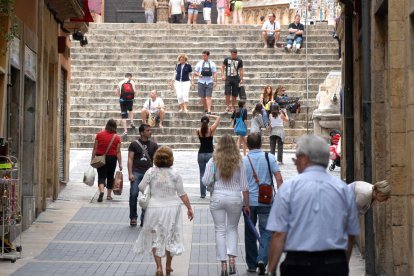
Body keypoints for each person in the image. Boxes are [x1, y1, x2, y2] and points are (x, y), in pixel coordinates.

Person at [266, 134, 360, 276]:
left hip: (298, 265)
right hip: (334, 263)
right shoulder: (344, 190)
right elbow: (350, 234)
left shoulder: (289, 189)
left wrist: (271, 269)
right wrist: (341, 264)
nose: (296, 163)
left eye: (296, 159)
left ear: (304, 158)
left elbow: (279, 234)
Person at [133, 146, 194, 276]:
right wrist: (189, 208)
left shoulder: (150, 171)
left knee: (157, 237)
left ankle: (159, 267)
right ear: (171, 159)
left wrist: (151, 189)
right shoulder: (175, 173)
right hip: (172, 208)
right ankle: (168, 266)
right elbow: (182, 194)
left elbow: (141, 187)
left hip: (154, 208)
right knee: (170, 237)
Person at [202, 134, 250, 276]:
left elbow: (205, 181)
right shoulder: (239, 162)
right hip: (235, 198)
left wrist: (214, 182)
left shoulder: (213, 161)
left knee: (220, 230)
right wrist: (247, 204)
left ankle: (223, 263)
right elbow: (244, 186)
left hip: (217, 196)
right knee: (232, 229)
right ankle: (232, 261)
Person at [243, 133, 283, 275]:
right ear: (261, 143)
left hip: (249, 202)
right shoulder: (269, 158)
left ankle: (252, 264)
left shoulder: (243, 160)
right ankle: (262, 260)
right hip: (266, 201)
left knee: (250, 233)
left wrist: (245, 204)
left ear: (247, 145)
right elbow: (279, 179)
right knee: (266, 232)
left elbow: (243, 185)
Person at [127, 124, 159, 227]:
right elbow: (130, 159)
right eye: (148, 130)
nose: (150, 132)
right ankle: (133, 216)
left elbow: (156, 160)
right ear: (141, 132)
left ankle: (144, 218)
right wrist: (130, 173)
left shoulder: (154, 145)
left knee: (147, 196)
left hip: (149, 173)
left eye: (150, 130)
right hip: (136, 172)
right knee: (133, 194)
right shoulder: (134, 144)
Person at [91, 119, 122, 202]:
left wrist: (92, 158)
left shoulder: (99, 135)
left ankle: (101, 191)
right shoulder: (117, 137)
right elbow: (118, 151)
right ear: (115, 127)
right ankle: (108, 195)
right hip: (112, 158)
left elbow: (95, 148)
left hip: (100, 157)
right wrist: (120, 163)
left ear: (107, 125)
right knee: (110, 176)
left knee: (101, 176)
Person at [197, 114, 220, 199]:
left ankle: (202, 194)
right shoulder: (211, 130)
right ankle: (211, 192)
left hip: (201, 153)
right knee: (212, 173)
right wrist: (210, 115)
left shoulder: (198, 131)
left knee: (201, 174)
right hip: (210, 154)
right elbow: (218, 118)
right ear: (208, 122)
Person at [193, 50, 217, 114]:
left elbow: (214, 73)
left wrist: (215, 81)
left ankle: (209, 110)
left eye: (205, 55)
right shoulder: (199, 63)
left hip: (209, 81)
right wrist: (199, 75)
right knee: (202, 97)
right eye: (202, 55)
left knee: (209, 96)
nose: (203, 57)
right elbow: (195, 72)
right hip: (201, 81)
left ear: (208, 56)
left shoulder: (212, 63)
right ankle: (205, 108)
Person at [221, 48, 244, 113]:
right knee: (227, 93)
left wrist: (241, 78)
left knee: (234, 93)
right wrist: (223, 75)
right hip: (228, 77)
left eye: (234, 54)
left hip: (236, 78)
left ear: (236, 54)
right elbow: (222, 67)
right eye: (232, 54)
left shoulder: (239, 60)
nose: (233, 55)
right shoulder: (227, 59)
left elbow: (241, 70)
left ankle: (233, 107)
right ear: (230, 54)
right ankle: (227, 106)